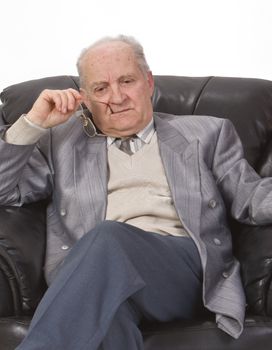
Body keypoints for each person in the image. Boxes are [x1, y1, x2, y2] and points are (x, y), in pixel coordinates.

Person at [1, 35, 272, 350]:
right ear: (85, 98)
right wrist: (33, 124)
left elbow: (250, 197)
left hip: (181, 271)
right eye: (101, 88)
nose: (117, 97)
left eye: (127, 81)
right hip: (94, 275)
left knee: (109, 237)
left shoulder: (207, 134)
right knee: (109, 317)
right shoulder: (60, 142)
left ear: (148, 82)